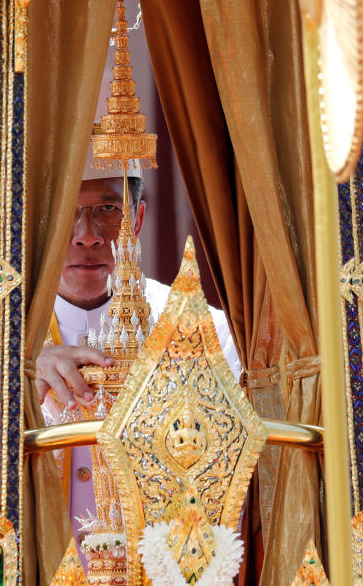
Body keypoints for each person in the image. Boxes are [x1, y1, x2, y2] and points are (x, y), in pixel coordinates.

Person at [34, 168, 242, 542]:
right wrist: (22, 375)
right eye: (68, 210)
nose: (87, 235)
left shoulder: (208, 332)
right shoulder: (8, 343)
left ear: (138, 218)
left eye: (108, 209)